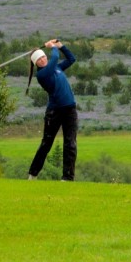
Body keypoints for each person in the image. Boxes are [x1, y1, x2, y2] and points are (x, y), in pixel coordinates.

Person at [26, 39, 78, 181]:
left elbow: (72, 59)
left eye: (43, 57)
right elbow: (55, 57)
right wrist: (53, 47)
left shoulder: (57, 68)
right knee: (46, 144)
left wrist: (61, 46)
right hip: (54, 112)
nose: (43, 60)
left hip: (70, 110)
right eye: (39, 59)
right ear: (36, 63)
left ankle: (67, 177)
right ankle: (33, 174)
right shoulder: (42, 74)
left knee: (70, 144)